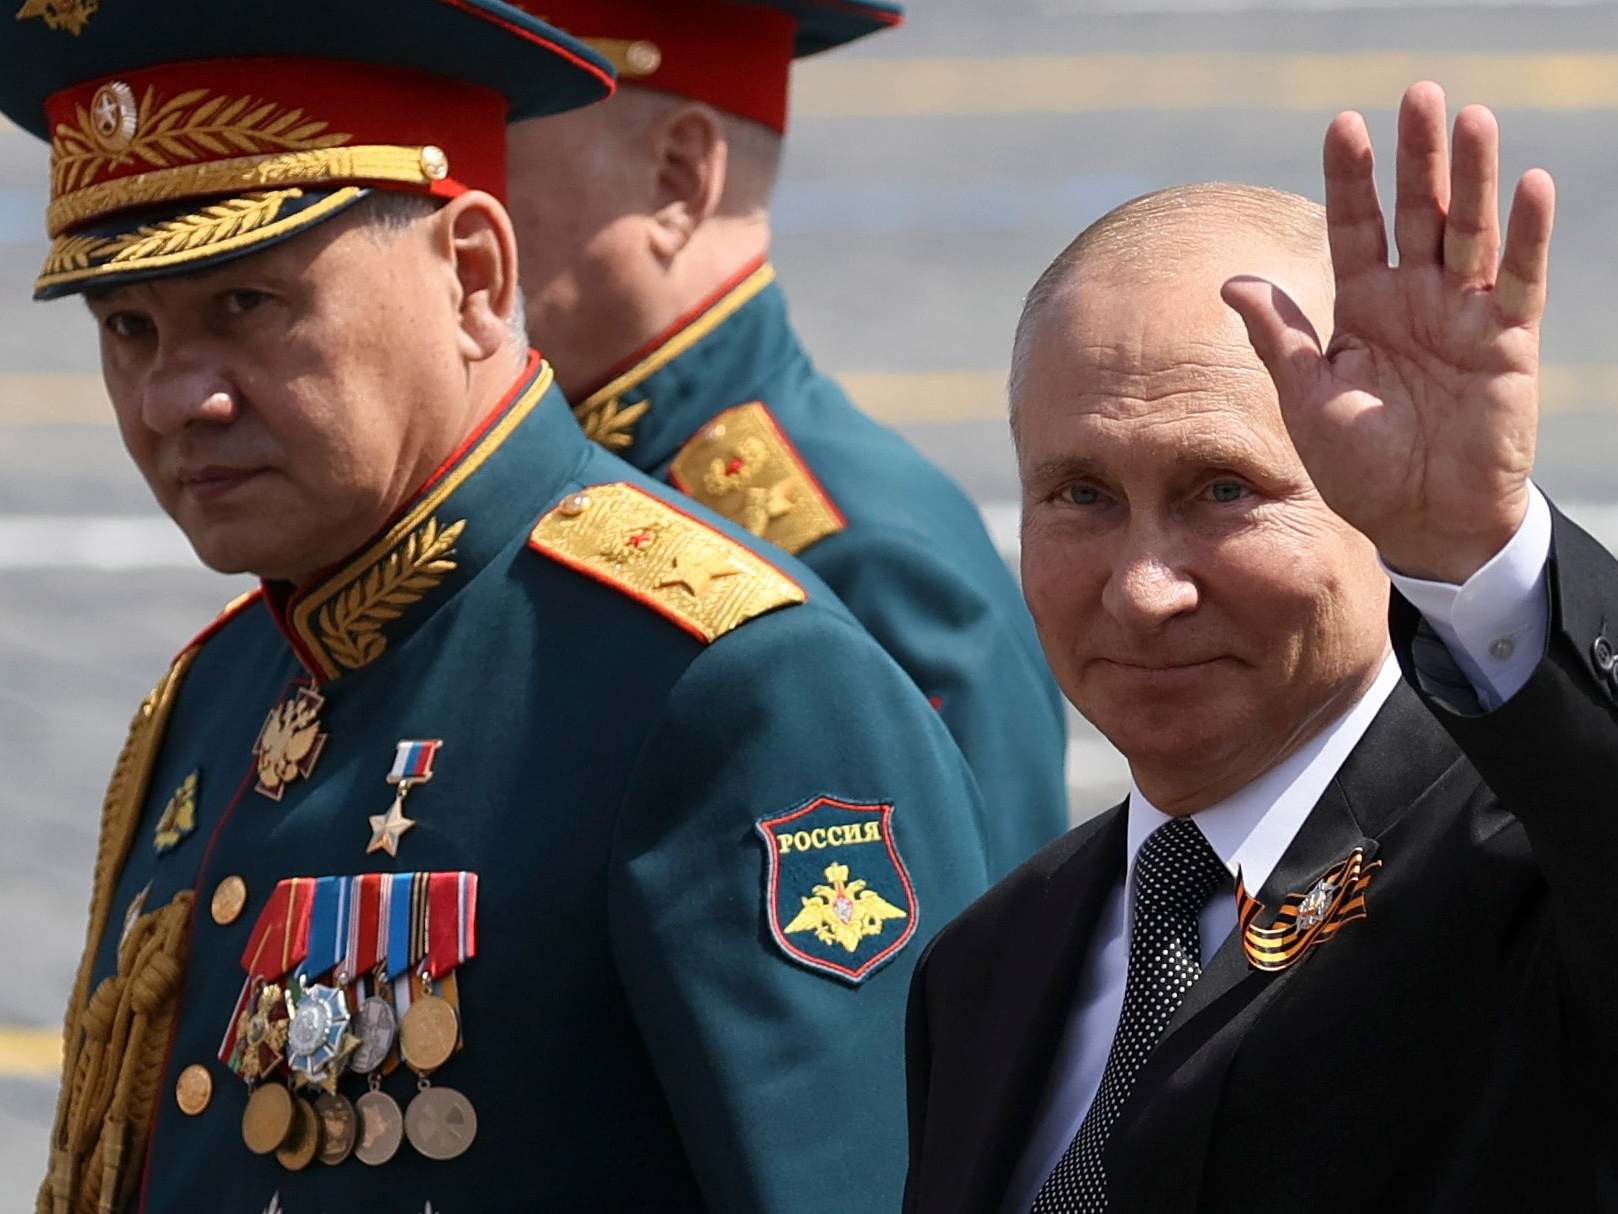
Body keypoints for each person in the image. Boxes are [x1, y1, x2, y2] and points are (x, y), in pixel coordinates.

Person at [8, 5, 993, 1211]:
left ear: (473, 274)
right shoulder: (221, 692)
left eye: (247, 306)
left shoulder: (725, 682)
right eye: (130, 327)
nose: (175, 397)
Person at [903, 83, 1618, 1212]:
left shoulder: (1517, 871)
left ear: (1369, 487)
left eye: (1222, 489)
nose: (1143, 588)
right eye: (1078, 493)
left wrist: (1477, 548)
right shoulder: (990, 964)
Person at [498, 0, 1070, 879]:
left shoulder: (857, 559)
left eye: (496, 139)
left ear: (679, 175)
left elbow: (970, 991)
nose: (457, 202)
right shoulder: (579, 478)